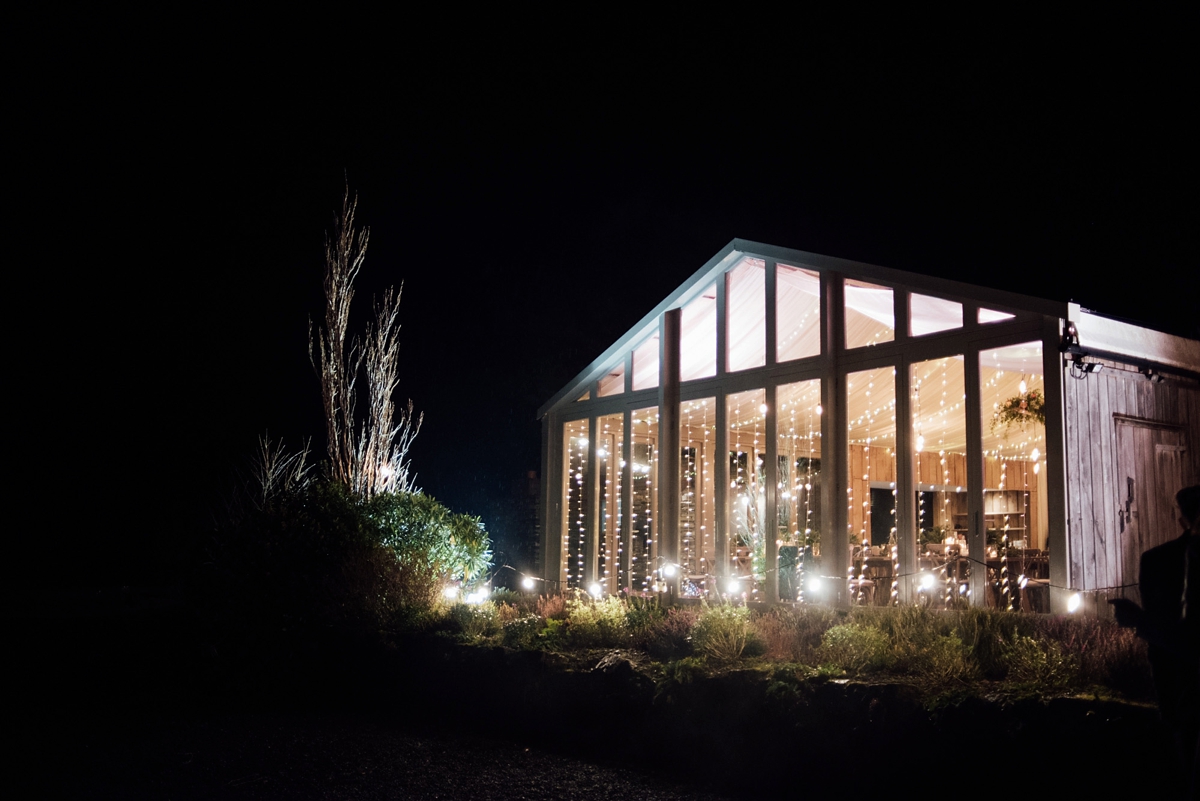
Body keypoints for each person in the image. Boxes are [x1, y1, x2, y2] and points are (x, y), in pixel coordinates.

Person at [1112, 484, 1199, 797]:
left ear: (1182, 520)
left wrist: (1139, 621)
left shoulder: (1162, 560)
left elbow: (1181, 642)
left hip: (1186, 693)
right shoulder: (1166, 559)